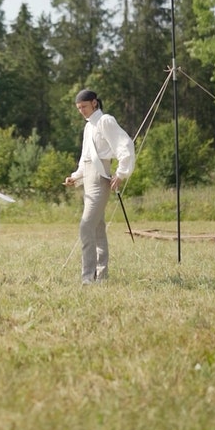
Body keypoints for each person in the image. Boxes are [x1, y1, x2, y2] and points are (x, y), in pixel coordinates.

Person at [64, 88, 135, 285]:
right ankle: (101, 276)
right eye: (79, 108)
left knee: (86, 225)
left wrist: (121, 173)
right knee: (97, 228)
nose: (82, 111)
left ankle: (88, 277)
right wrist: (75, 178)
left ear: (94, 103)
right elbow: (85, 159)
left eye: (84, 106)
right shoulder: (88, 127)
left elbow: (125, 145)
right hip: (88, 177)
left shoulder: (106, 121)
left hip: (100, 178)